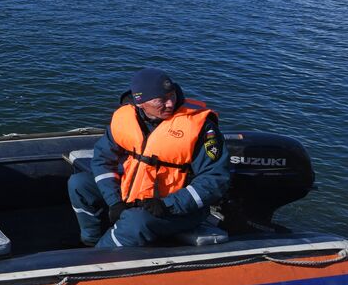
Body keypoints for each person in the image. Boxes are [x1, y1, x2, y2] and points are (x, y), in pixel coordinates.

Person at [68, 67, 229, 249]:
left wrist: (168, 205)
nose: (170, 104)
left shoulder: (200, 128)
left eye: (172, 95)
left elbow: (215, 180)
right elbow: (102, 159)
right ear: (140, 103)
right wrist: (114, 201)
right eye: (161, 100)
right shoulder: (126, 118)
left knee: (134, 221)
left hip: (178, 207)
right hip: (134, 192)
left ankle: (97, 261)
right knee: (79, 185)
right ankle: (91, 243)